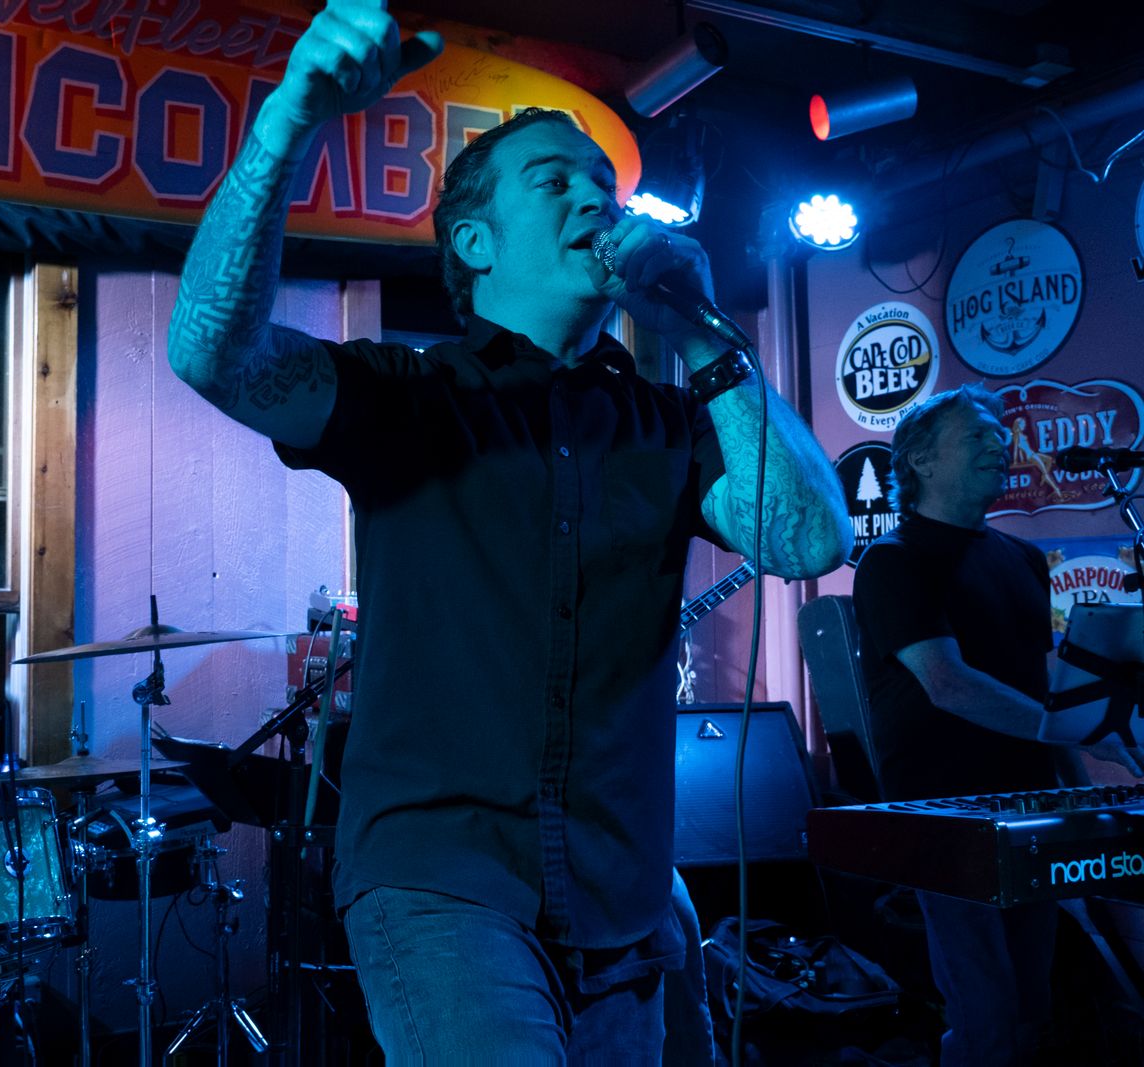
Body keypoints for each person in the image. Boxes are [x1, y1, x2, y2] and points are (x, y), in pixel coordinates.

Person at [166, 3, 849, 1060]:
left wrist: (700, 330)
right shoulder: (412, 396)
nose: (593, 197)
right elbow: (213, 352)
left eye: (603, 182)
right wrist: (290, 118)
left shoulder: (668, 419)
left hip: (622, 901)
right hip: (443, 886)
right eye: (553, 180)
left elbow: (805, 541)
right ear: (474, 243)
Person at [852, 384, 1143, 1067]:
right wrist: (1076, 736)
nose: (1000, 443)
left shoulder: (1023, 558)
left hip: (1029, 807)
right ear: (920, 459)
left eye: (999, 433)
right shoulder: (893, 559)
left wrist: (1077, 793)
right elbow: (946, 682)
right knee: (985, 1017)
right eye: (978, 434)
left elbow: (1046, 696)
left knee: (1032, 1012)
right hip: (945, 816)